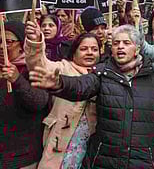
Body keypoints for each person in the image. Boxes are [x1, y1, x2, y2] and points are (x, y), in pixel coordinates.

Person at [29, 24, 154, 168]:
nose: (120, 47)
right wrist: (59, 83)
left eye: (126, 43)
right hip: (107, 161)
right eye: (116, 43)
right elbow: (80, 86)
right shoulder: (102, 73)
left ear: (137, 49)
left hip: (145, 162)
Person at [24, 20, 99, 169]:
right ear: (74, 52)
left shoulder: (104, 74)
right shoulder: (63, 68)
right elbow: (39, 65)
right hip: (60, 147)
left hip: (91, 149)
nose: (90, 52)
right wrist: (35, 42)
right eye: (84, 49)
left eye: (94, 49)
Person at [0, 21, 49, 169]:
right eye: (0, 41)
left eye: (8, 42)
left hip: (22, 156)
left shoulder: (33, 69)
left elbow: (39, 102)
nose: (2, 47)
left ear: (22, 45)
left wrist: (17, 80)